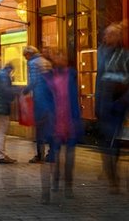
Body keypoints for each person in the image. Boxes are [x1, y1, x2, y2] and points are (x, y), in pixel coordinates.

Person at [40, 51, 83, 203]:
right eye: (58, 56)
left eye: (63, 56)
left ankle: (69, 185)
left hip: (70, 119)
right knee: (56, 154)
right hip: (55, 120)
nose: (61, 59)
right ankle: (55, 180)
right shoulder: (48, 77)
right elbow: (45, 98)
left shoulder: (71, 75)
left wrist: (78, 119)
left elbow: (75, 98)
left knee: (70, 156)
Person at [96, 22, 128, 193]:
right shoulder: (102, 54)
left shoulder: (125, 55)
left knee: (112, 141)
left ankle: (113, 178)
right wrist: (97, 102)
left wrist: (124, 101)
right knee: (106, 141)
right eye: (107, 34)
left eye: (112, 34)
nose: (108, 37)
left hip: (118, 104)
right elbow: (99, 79)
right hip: (104, 102)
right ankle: (111, 175)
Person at [23, 45, 52, 163]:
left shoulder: (32, 63)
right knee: (49, 126)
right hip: (50, 97)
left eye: (25, 56)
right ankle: (52, 154)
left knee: (39, 128)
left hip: (40, 98)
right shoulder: (46, 62)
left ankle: (40, 155)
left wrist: (26, 90)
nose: (25, 59)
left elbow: (33, 80)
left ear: (29, 54)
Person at [0, 62, 18, 164]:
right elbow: (6, 91)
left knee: (1, 131)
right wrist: (16, 91)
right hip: (2, 106)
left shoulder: (0, 74)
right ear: (10, 69)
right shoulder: (4, 76)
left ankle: (1, 154)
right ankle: (0, 155)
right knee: (2, 131)